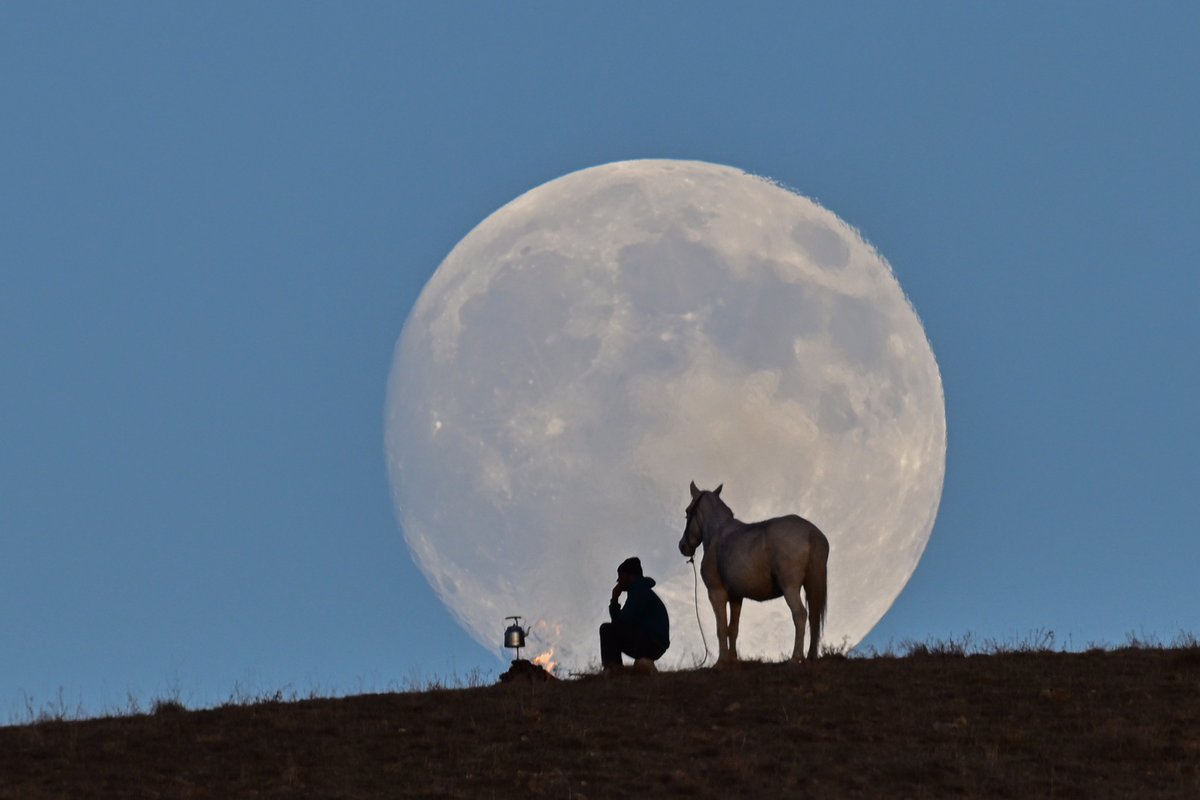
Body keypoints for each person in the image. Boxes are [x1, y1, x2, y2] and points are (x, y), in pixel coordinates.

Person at [599, 557, 669, 671]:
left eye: (620, 577)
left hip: (652, 641)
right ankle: (642, 666)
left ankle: (612, 670)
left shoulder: (639, 592)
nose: (618, 581)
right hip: (656, 642)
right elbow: (620, 623)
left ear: (628, 576)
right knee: (611, 630)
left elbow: (621, 622)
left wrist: (614, 599)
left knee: (606, 629)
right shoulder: (640, 591)